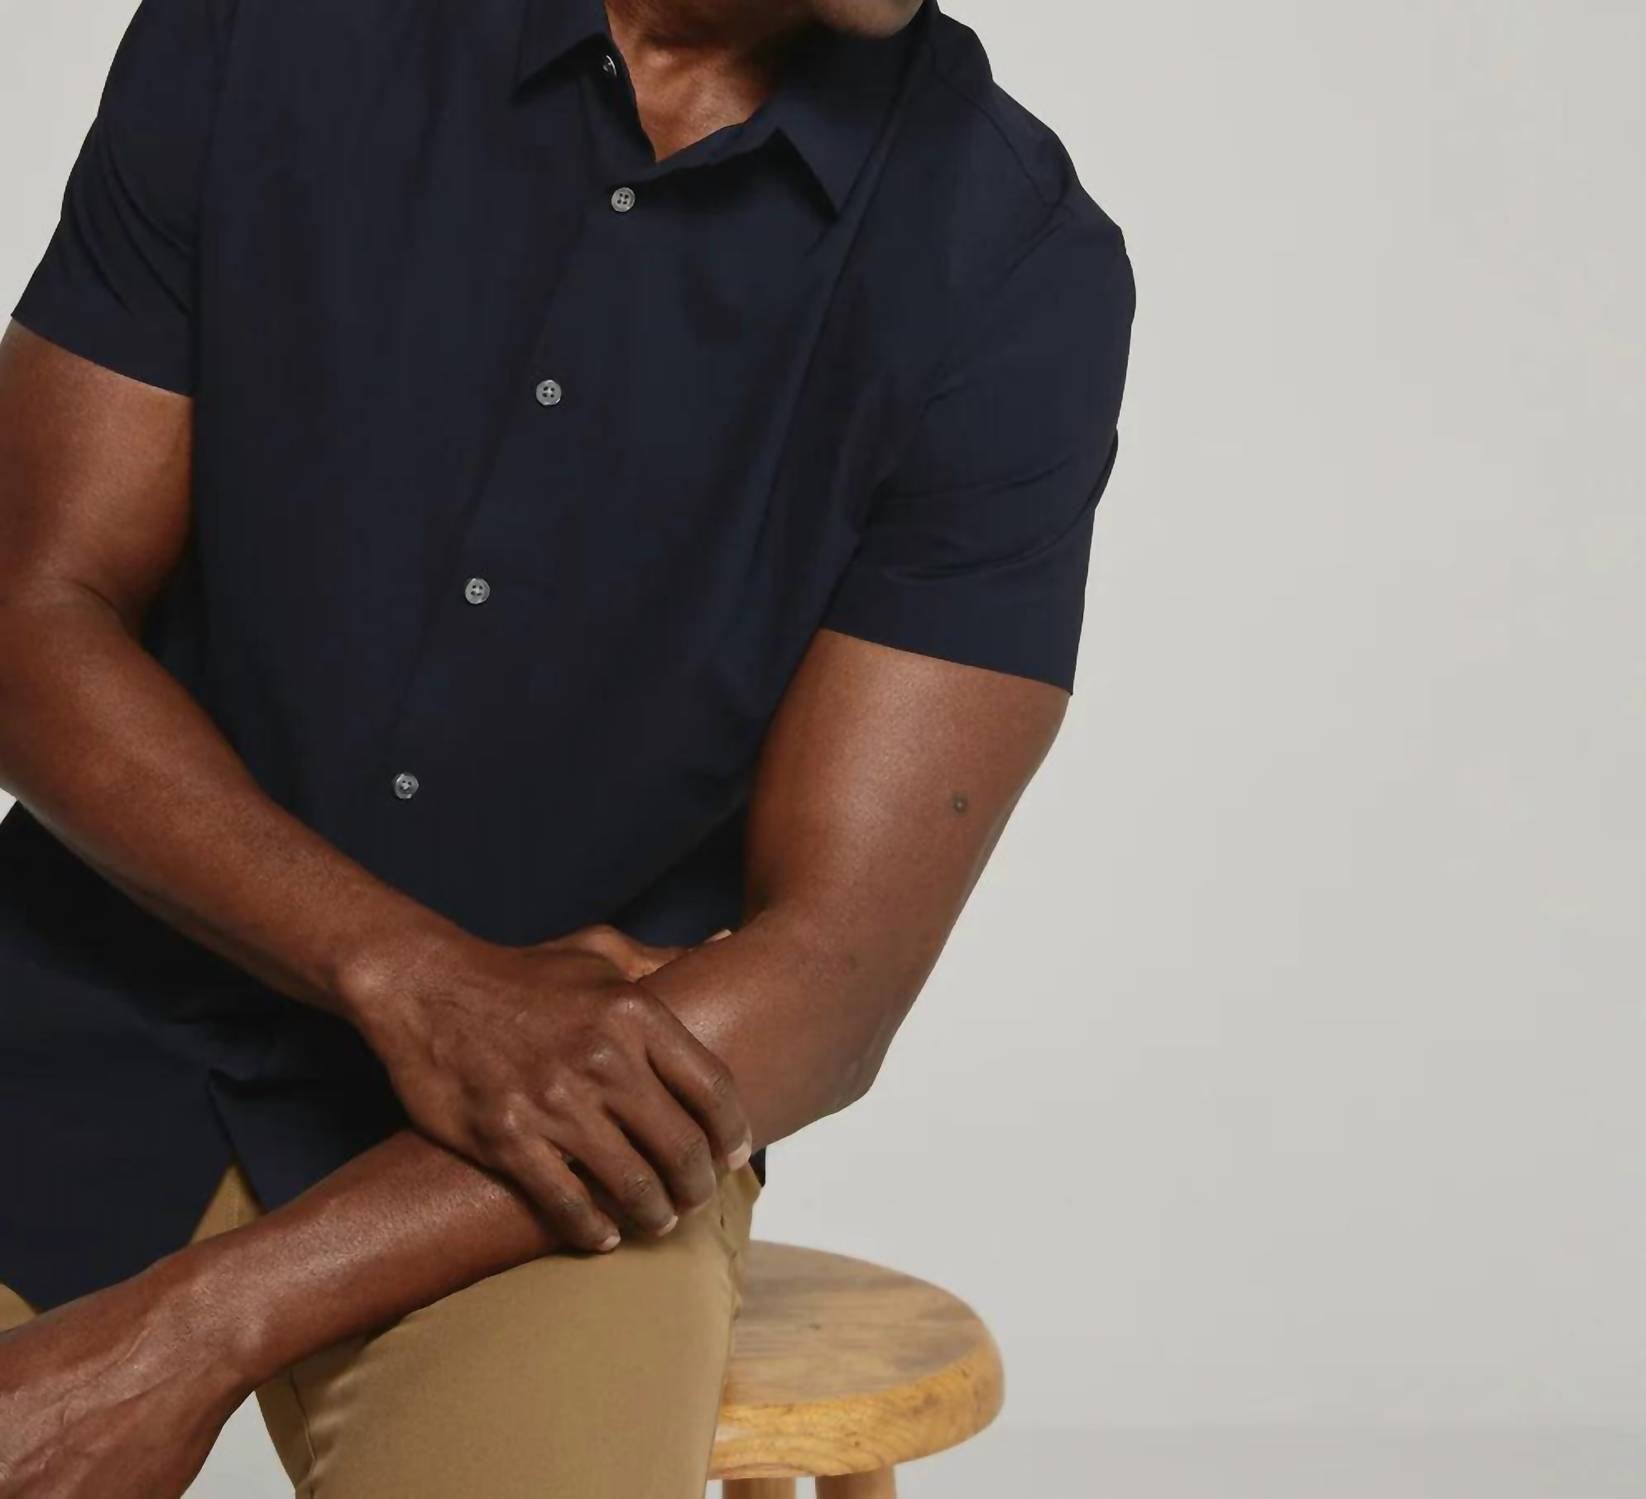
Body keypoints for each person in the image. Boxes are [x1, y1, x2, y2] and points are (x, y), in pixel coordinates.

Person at [0, 0, 1134, 1491]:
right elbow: (32, 608)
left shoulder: (1012, 265)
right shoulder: (273, 31)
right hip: (76, 998)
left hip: (566, 1145)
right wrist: (412, 976)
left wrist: (195, 1328)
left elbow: (836, 979)